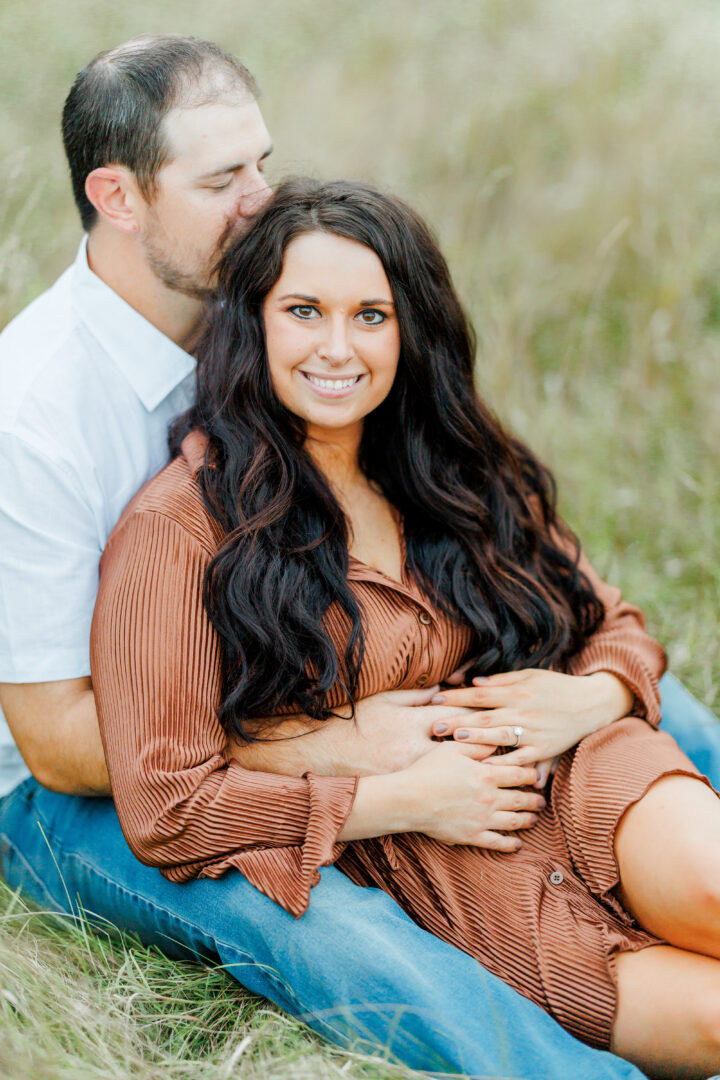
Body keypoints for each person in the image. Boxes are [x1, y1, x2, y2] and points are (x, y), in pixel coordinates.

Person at [0, 33, 714, 1080]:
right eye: (220, 180)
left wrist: (589, 699)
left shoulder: (264, 305)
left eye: (261, 163)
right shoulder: (33, 410)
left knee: (652, 702)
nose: (259, 199)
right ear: (118, 196)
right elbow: (72, 744)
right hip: (78, 792)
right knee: (329, 927)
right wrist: (335, 746)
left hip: (347, 672)